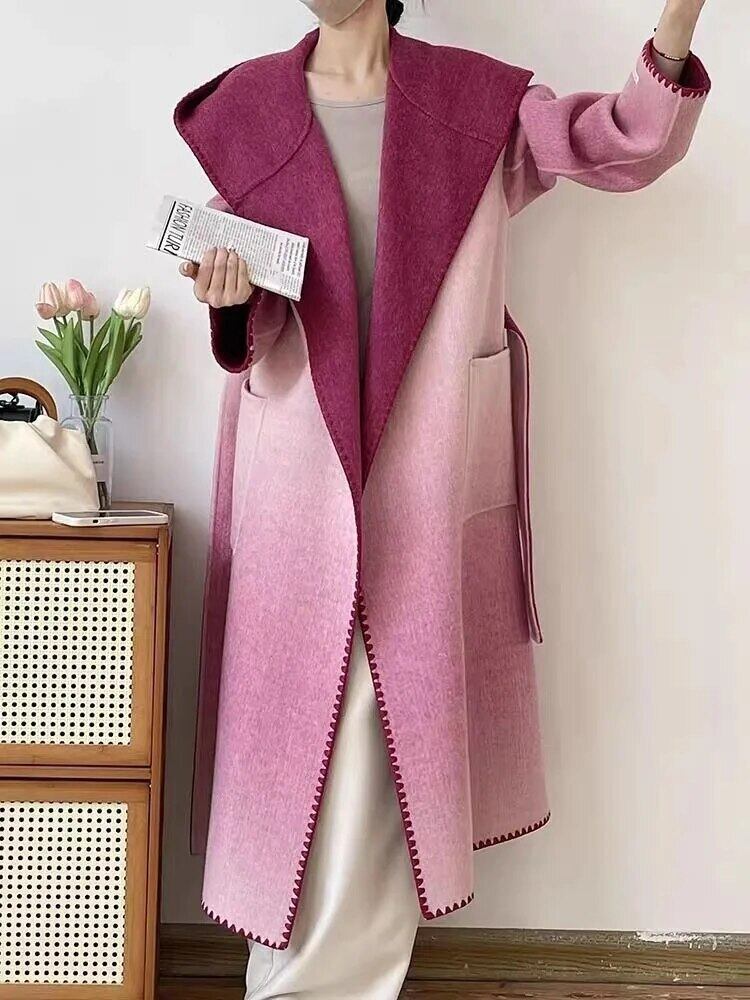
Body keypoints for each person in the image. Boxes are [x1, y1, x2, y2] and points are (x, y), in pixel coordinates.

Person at [175, 1, 711, 997]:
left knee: (388, 736)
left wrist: (677, 23)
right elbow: (262, 318)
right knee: (299, 737)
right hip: (296, 477)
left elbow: (625, 142)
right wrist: (230, 297)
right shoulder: (251, 106)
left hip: (423, 475)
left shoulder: (475, 102)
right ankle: (287, 980)